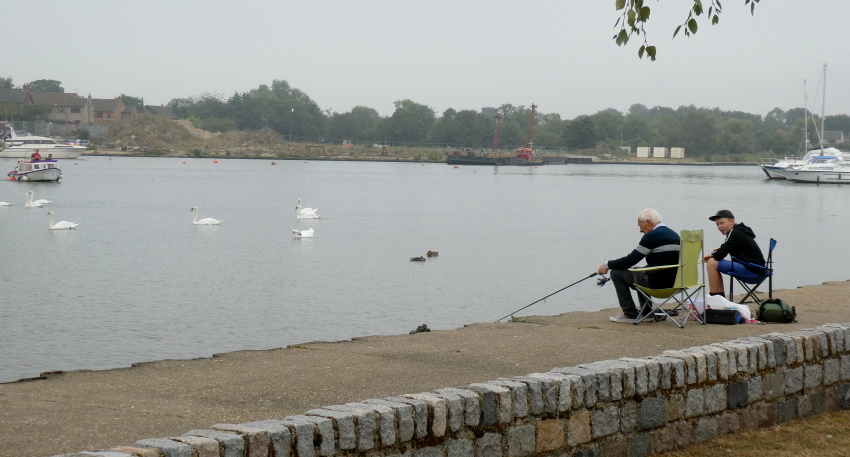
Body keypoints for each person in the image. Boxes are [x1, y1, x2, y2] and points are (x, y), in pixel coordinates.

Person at [597, 208, 681, 323]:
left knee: (616, 273)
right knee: (640, 270)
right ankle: (647, 313)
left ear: (649, 222)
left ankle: (630, 314)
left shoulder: (652, 236)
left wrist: (607, 264)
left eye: (641, 226)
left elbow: (630, 260)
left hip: (656, 284)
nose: (640, 230)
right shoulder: (675, 235)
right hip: (676, 283)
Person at [704, 209, 765, 298]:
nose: (719, 227)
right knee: (714, 262)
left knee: (711, 263)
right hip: (758, 269)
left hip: (752, 271)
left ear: (732, 221)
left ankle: (715, 299)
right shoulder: (739, 231)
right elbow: (725, 249)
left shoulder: (734, 233)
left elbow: (720, 254)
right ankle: (719, 298)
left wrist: (713, 254)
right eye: (717, 224)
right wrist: (717, 253)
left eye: (722, 223)